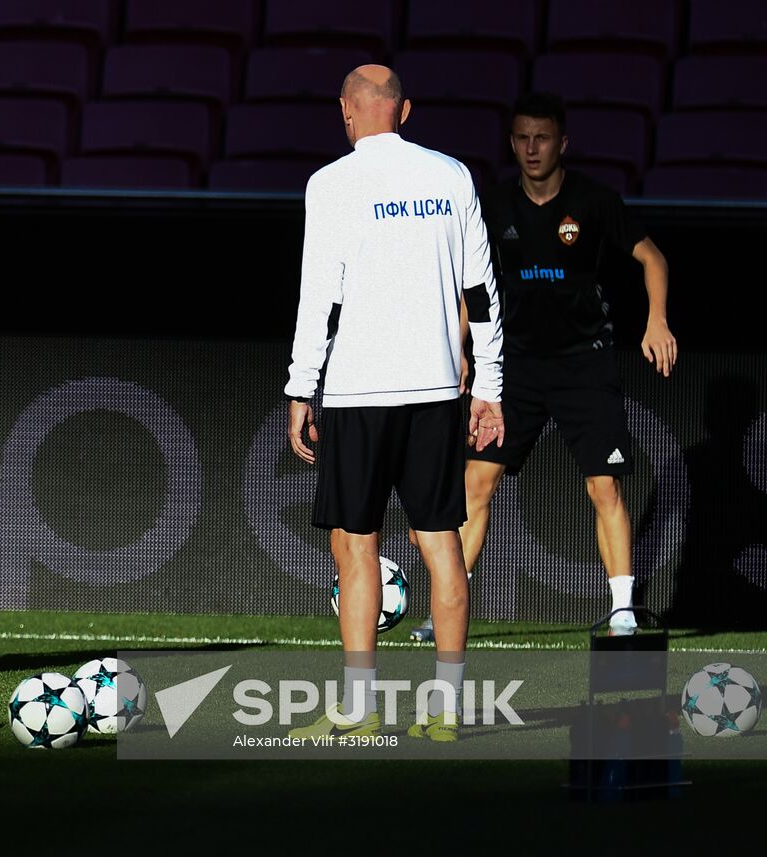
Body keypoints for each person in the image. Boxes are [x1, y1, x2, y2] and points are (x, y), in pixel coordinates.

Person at [283, 66, 505, 743]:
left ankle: (358, 708)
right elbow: (484, 290)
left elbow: (318, 294)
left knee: (354, 549)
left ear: (347, 112)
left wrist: (300, 386)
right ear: (403, 109)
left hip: (358, 392)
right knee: (443, 547)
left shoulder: (331, 183)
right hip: (438, 391)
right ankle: (446, 709)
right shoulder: (452, 174)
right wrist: (491, 384)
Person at [409, 92, 676, 642]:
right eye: (523, 138)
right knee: (476, 483)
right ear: (512, 144)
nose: (532, 148)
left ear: (562, 143)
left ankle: (623, 609)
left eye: (543, 138)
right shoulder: (495, 206)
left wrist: (657, 321)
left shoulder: (594, 201)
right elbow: (476, 289)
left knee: (604, 487)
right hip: (516, 369)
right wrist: (460, 349)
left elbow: (653, 257)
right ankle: (444, 610)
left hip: (585, 365)